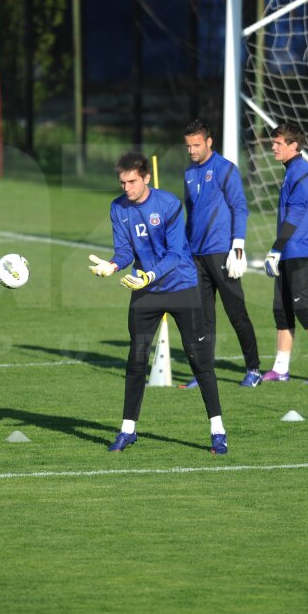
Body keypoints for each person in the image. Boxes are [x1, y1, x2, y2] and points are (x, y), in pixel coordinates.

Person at [88, 151, 229, 453]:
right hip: (145, 292)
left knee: (199, 360)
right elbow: (125, 251)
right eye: (122, 182)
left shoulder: (169, 204)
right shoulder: (117, 208)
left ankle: (218, 431)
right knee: (136, 359)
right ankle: (128, 430)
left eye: (132, 182)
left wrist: (149, 276)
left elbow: (176, 254)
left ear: (146, 178)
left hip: (181, 288)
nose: (126, 188)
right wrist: (112, 265)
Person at [178, 118, 263, 389]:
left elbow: (240, 207)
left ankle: (254, 369)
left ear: (209, 142)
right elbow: (191, 214)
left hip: (222, 253)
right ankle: (204, 373)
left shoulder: (225, 169)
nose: (192, 150)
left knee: (237, 314)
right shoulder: (188, 173)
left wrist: (238, 246)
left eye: (196, 145)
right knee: (202, 319)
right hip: (196, 256)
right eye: (188, 146)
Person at [259, 121, 308, 384]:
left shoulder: (301, 171)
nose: (273, 147)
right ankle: (280, 369)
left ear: (293, 145)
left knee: (305, 309)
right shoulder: (291, 170)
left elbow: (296, 212)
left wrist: (276, 248)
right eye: (273, 142)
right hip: (288, 252)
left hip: (299, 251)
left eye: (278, 143)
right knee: (282, 310)